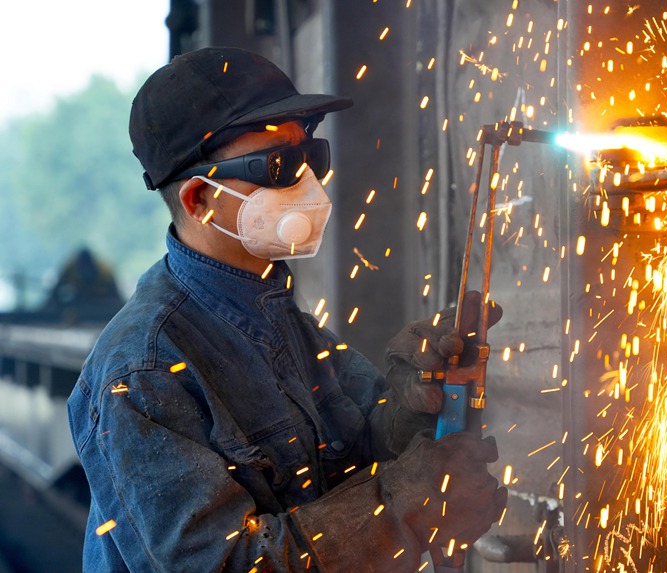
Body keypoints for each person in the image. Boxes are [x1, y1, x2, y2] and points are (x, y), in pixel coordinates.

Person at [67, 46, 507, 572]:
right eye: (279, 166)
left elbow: (355, 453)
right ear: (198, 200)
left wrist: (415, 407)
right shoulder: (142, 373)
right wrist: (402, 506)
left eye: (310, 157)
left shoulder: (275, 313)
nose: (308, 185)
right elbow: (228, 563)